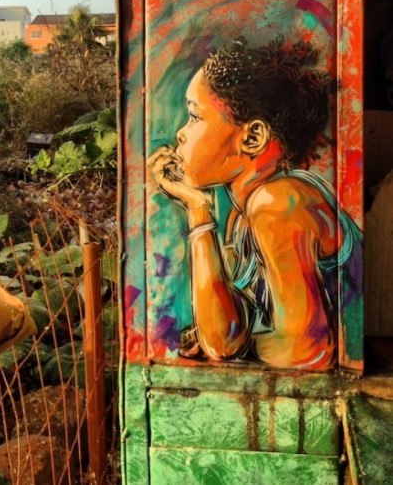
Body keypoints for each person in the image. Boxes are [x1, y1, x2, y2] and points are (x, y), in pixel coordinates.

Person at [148, 37, 359, 370]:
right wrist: (197, 210)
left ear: (252, 137)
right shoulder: (242, 223)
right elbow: (223, 342)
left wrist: (240, 343)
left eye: (194, 117)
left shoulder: (279, 203)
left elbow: (308, 352)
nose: (181, 134)